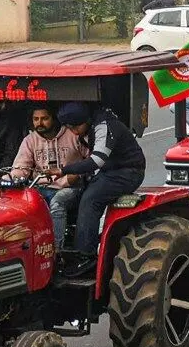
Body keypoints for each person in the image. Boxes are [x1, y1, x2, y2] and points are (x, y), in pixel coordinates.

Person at [48, 102, 147, 274]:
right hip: (109, 171)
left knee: (91, 199)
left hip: (128, 172)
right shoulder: (92, 124)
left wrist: (64, 170)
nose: (74, 132)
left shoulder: (104, 126)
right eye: (70, 128)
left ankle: (85, 256)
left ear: (84, 120)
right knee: (77, 195)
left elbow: (97, 160)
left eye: (76, 127)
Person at [11, 107, 87, 249]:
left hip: (70, 188)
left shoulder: (72, 135)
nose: (40, 123)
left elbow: (90, 159)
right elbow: (21, 168)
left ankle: (55, 250)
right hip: (40, 188)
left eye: (45, 118)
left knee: (57, 202)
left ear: (54, 119)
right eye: (36, 119)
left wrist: (76, 175)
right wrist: (7, 179)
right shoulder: (30, 140)